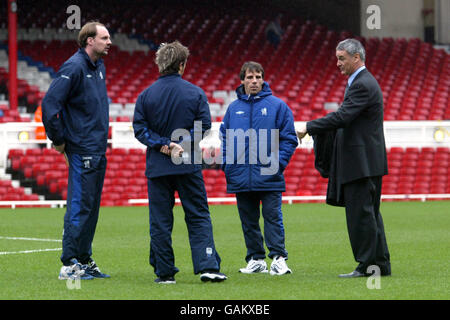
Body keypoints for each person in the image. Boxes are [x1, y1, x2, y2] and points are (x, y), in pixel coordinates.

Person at [133, 41, 227, 284]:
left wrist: (165, 145)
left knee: (160, 220)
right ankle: (208, 266)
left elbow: (140, 130)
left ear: (160, 64)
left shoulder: (145, 95)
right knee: (197, 215)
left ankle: (164, 273)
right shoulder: (195, 93)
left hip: (158, 166)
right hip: (188, 164)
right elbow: (204, 126)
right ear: (182, 65)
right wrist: (182, 144)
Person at [296, 38, 391, 278]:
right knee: (370, 215)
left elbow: (342, 117)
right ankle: (379, 265)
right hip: (367, 162)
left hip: (360, 162)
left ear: (356, 57)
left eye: (341, 58)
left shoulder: (361, 84)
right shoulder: (362, 82)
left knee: (361, 216)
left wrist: (308, 127)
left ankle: (368, 267)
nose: (337, 63)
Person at [42, 21, 112, 280]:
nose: (109, 42)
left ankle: (84, 259)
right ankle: (69, 265)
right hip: (81, 149)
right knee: (79, 206)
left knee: (91, 207)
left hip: (97, 148)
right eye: (104, 38)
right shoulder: (74, 67)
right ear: (89, 41)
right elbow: (50, 104)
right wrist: (58, 140)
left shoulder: (99, 66)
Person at [220, 61, 298, 275]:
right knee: (248, 220)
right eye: (249, 77)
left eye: (257, 77)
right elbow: (224, 137)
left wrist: (278, 163)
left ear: (263, 79)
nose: (254, 81)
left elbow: (289, 138)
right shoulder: (233, 108)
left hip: (269, 173)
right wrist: (228, 164)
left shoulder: (278, 106)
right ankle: (256, 259)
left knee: (273, 218)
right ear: (242, 80)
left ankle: (279, 259)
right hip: (240, 175)